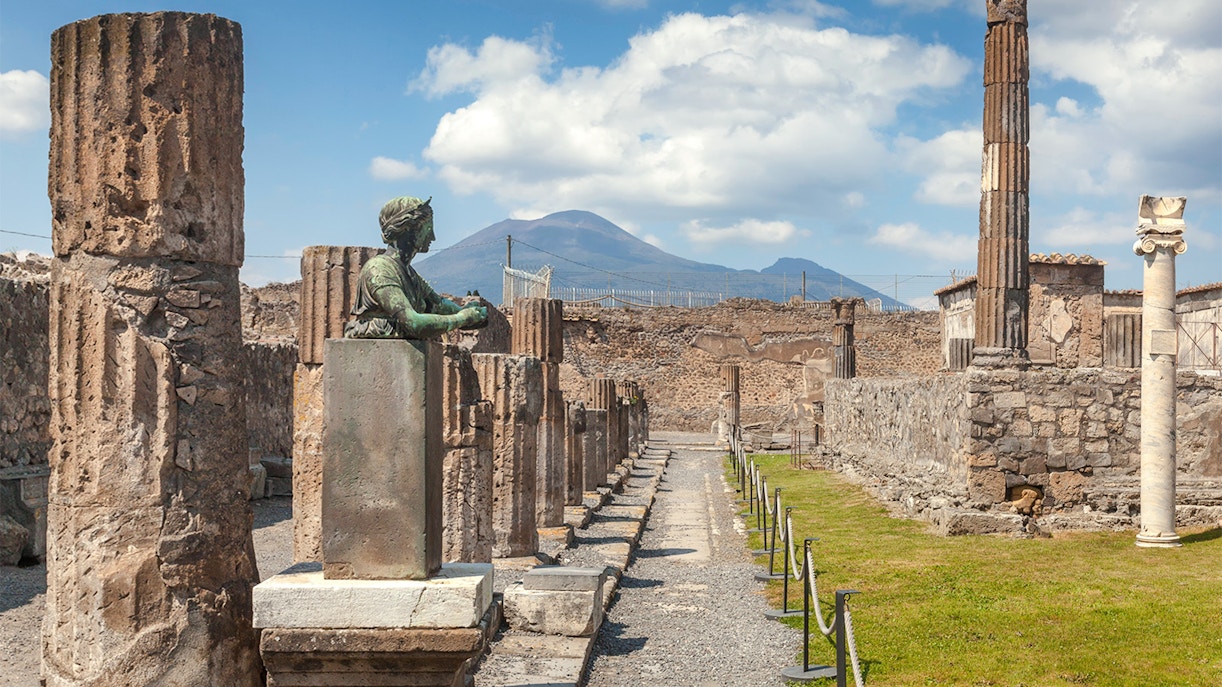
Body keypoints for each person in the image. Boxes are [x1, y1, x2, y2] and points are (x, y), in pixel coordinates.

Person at [344, 196, 488, 339]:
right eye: (428, 229)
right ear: (407, 228)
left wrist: (469, 312)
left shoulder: (410, 274)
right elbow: (413, 322)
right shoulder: (379, 270)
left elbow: (439, 304)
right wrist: (462, 318)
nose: (433, 237)